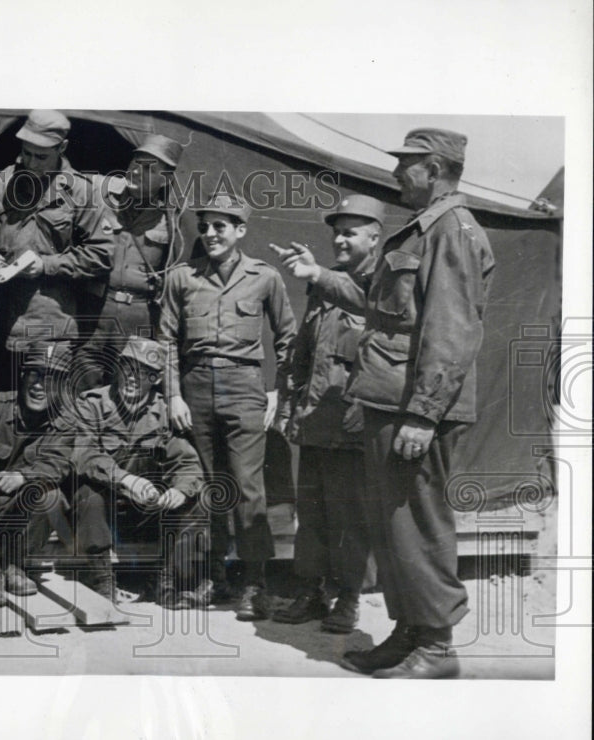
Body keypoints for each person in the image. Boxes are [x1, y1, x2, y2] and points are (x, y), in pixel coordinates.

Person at [272, 129, 494, 679]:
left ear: (436, 168)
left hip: (414, 409)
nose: (397, 175)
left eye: (408, 165)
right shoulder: (425, 229)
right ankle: (410, 632)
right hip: (388, 403)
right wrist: (321, 277)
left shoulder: (454, 232)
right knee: (393, 529)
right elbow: (384, 313)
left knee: (419, 526)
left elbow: (450, 330)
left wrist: (423, 413)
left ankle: (438, 647)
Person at [158, 193, 297, 620]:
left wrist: (278, 391)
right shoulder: (181, 278)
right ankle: (212, 579)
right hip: (195, 386)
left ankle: (255, 585)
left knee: (247, 487)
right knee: (206, 485)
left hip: (244, 386)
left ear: (240, 231)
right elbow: (164, 340)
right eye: (205, 226)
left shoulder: (265, 277)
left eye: (222, 225)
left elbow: (288, 337)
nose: (211, 234)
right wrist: (173, 395)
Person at [271, 194, 383, 633]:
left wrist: (365, 404)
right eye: (337, 231)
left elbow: (387, 354)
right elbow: (305, 351)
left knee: (350, 516)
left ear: (374, 239)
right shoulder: (325, 283)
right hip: (316, 418)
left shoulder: (384, 287)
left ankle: (349, 598)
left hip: (353, 422)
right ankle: (312, 591)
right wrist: (289, 403)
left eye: (350, 232)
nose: (340, 238)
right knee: (313, 513)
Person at [0, 109, 113, 380]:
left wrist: (46, 265)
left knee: (41, 406)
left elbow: (101, 254)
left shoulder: (82, 192)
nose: (31, 162)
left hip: (48, 321)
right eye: (26, 153)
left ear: (62, 148)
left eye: (41, 156)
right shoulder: (4, 180)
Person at [72, 337, 209, 607]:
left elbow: (187, 463)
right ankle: (102, 581)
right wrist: (125, 479)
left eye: (144, 373)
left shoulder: (163, 412)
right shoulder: (93, 404)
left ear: (156, 379)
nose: (133, 379)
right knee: (88, 493)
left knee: (197, 496)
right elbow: (82, 453)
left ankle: (171, 583)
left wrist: (180, 490)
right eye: (127, 368)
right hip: (104, 509)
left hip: (146, 510)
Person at [0, 341, 75, 607]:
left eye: (50, 378)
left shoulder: (64, 422)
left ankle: (15, 566)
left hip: (18, 507)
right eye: (34, 374)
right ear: (23, 376)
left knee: (50, 497)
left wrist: (23, 478)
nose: (39, 385)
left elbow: (59, 464)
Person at [77, 134, 185, 389]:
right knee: (82, 380)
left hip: (139, 317)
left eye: (148, 168)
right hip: (95, 309)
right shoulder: (102, 199)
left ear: (166, 178)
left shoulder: (172, 219)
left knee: (128, 389)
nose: (136, 171)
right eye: (135, 163)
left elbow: (175, 271)